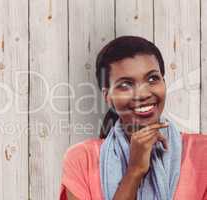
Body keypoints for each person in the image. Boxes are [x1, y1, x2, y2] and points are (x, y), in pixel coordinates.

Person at [59, 36, 207, 200]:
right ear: (107, 96)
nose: (143, 94)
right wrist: (134, 171)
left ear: (163, 83)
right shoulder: (81, 159)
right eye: (125, 85)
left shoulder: (203, 152)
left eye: (152, 79)